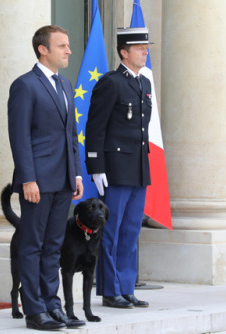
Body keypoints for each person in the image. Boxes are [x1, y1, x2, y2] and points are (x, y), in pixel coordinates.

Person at [7, 25, 85, 330]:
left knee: (53, 247)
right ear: (43, 49)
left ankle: (54, 306)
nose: (68, 51)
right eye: (62, 46)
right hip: (37, 182)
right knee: (32, 245)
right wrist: (27, 178)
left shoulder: (65, 85)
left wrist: (76, 173)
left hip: (64, 179)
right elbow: (19, 136)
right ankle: (34, 310)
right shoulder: (25, 86)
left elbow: (72, 135)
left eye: (67, 45)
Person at [85, 27, 152, 309]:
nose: (145, 51)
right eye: (139, 48)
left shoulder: (144, 83)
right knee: (110, 231)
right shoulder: (111, 82)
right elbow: (95, 127)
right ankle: (111, 290)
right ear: (124, 52)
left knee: (131, 231)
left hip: (137, 167)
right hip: (114, 167)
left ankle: (127, 287)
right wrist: (96, 166)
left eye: (145, 47)